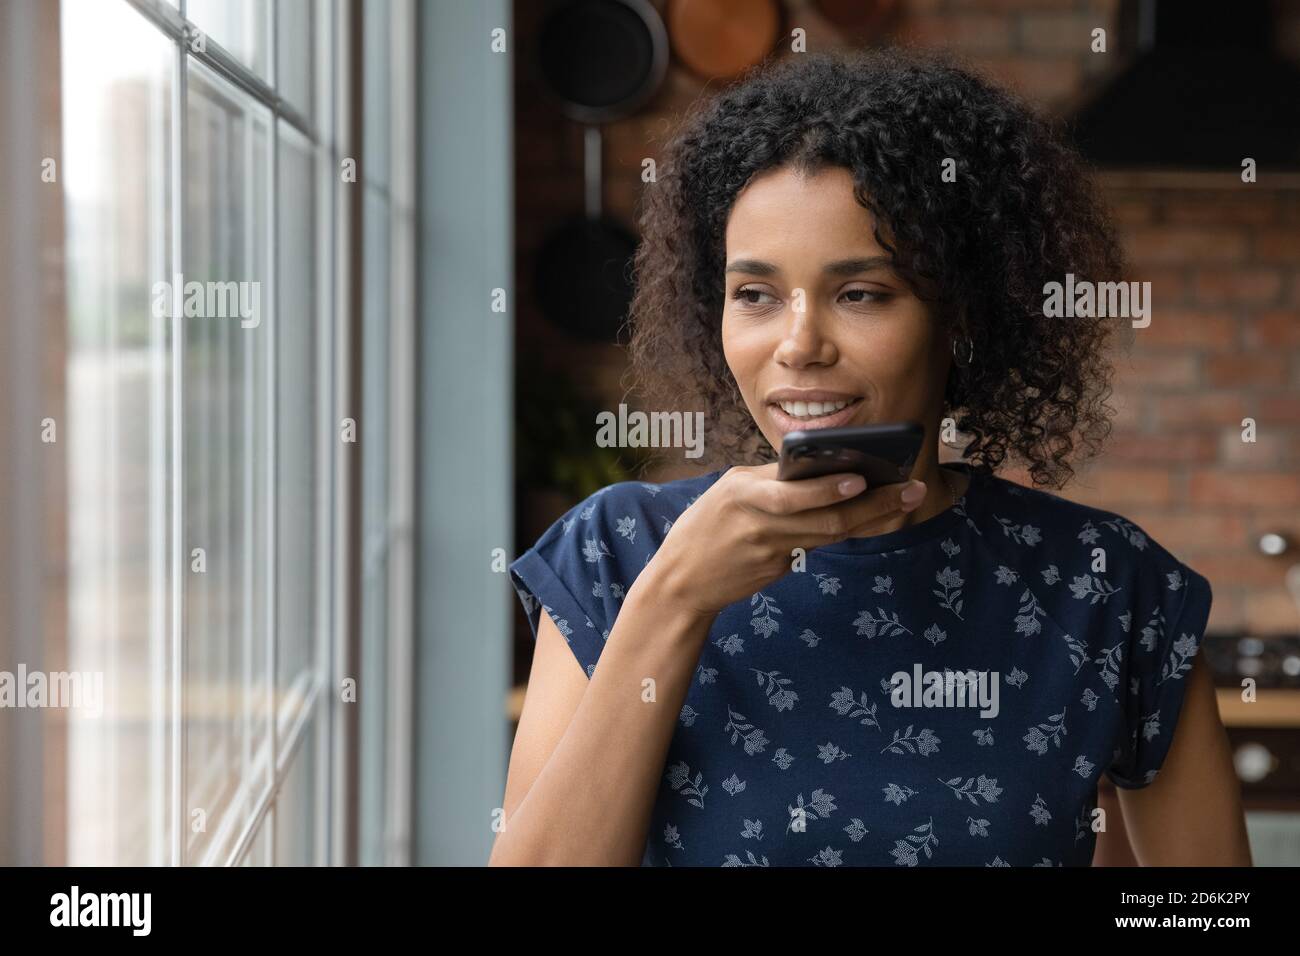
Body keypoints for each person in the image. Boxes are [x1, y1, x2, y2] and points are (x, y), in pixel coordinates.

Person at [491, 49, 1251, 867]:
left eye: (860, 293)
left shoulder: (1103, 584)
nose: (798, 344)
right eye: (755, 294)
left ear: (961, 314)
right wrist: (673, 598)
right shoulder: (617, 554)